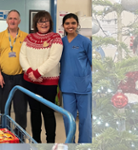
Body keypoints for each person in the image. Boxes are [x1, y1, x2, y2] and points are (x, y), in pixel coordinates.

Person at [19, 10, 63, 143]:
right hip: (30, 82)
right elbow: (22, 56)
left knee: (48, 113)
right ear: (35, 23)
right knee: (34, 111)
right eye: (40, 21)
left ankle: (50, 143)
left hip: (48, 84)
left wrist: (37, 73)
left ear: (50, 22)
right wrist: (30, 73)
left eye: (46, 21)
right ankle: (35, 140)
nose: (44, 24)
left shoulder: (55, 37)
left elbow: (54, 58)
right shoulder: (29, 38)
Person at [0, 10, 28, 130]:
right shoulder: (0, 36)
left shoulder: (26, 36)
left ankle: (20, 133)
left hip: (21, 78)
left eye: (15, 18)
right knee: (4, 108)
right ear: (7, 21)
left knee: (21, 109)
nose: (13, 21)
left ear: (19, 21)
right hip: (4, 77)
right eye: (10, 18)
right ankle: (5, 131)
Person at [60, 13, 92, 143]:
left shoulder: (85, 41)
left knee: (85, 118)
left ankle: (84, 144)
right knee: (68, 118)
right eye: (67, 23)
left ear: (77, 24)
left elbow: (93, 62)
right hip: (67, 87)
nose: (70, 26)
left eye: (73, 23)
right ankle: (70, 143)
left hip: (83, 86)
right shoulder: (60, 43)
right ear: (63, 26)